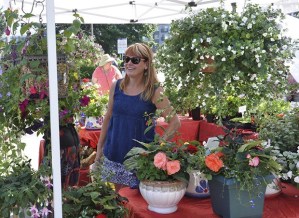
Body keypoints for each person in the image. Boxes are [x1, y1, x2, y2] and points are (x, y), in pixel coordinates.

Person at [95, 43, 181, 192]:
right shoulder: (117, 86)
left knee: (133, 207)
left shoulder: (154, 91)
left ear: (146, 64)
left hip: (138, 163)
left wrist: (155, 150)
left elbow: (175, 123)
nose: (129, 63)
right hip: (113, 155)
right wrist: (99, 149)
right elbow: (108, 118)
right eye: (127, 59)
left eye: (135, 60)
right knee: (114, 204)